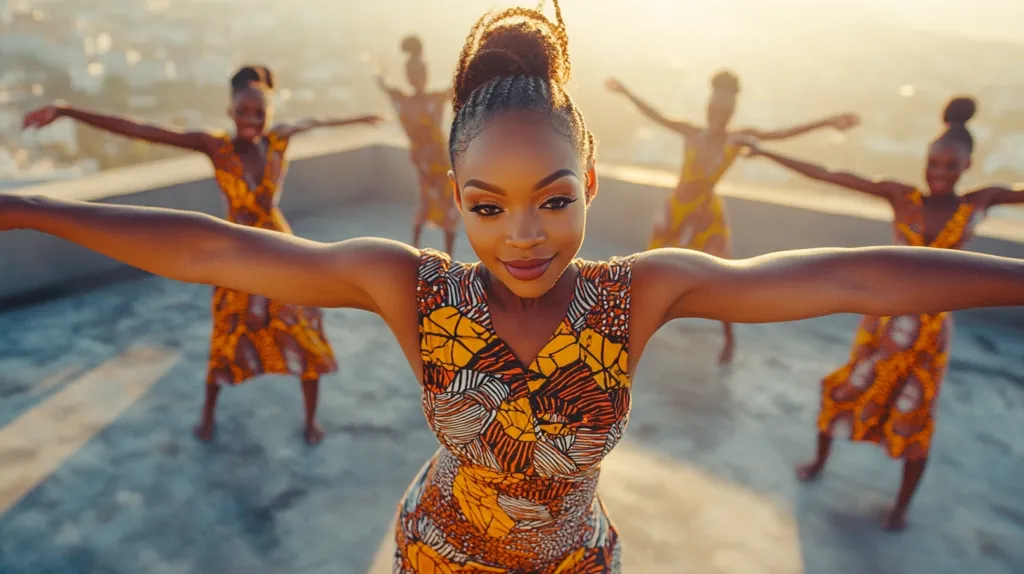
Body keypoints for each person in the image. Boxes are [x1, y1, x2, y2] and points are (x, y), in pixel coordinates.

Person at [6, 5, 1024, 569]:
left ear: (588, 174)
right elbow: (215, 251)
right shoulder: (410, 286)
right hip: (437, 556)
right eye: (487, 206)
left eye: (551, 197)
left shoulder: (642, 293)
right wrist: (29, 209)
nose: (523, 235)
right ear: (454, 197)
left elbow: (849, 271)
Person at [22, 65, 383, 446]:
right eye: (242, 111)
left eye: (259, 112)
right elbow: (143, 130)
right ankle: (207, 416)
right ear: (230, 110)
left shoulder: (278, 139)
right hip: (234, 258)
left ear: (271, 111)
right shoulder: (215, 146)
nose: (250, 120)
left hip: (281, 249)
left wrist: (363, 117)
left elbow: (319, 120)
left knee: (305, 330)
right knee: (226, 340)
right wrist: (66, 111)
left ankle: (311, 421)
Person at [743, 96, 1024, 531]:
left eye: (950, 166)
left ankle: (900, 508)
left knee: (917, 416)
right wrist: (765, 152)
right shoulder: (902, 195)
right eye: (934, 163)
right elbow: (832, 176)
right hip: (884, 321)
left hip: (931, 331)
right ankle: (818, 461)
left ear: (967, 166)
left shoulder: (979, 201)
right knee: (844, 388)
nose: (940, 173)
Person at [606, 72, 861, 364]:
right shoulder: (691, 132)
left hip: (706, 215)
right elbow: (655, 114)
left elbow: (781, 134)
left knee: (723, 276)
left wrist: (828, 123)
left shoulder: (736, 139)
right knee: (651, 271)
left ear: (732, 113)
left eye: (725, 111)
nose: (718, 115)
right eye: (714, 109)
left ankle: (728, 341)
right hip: (675, 211)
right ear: (707, 107)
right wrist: (625, 92)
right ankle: (628, 330)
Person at [376, 35, 458, 255]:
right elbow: (382, 82)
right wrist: (378, 66)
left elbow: (461, 83)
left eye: (421, 73)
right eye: (413, 74)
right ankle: (413, 250)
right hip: (423, 161)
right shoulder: (407, 100)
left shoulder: (435, 98)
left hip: (439, 160)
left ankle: (447, 255)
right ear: (407, 75)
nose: (418, 77)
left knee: (447, 204)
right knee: (426, 202)